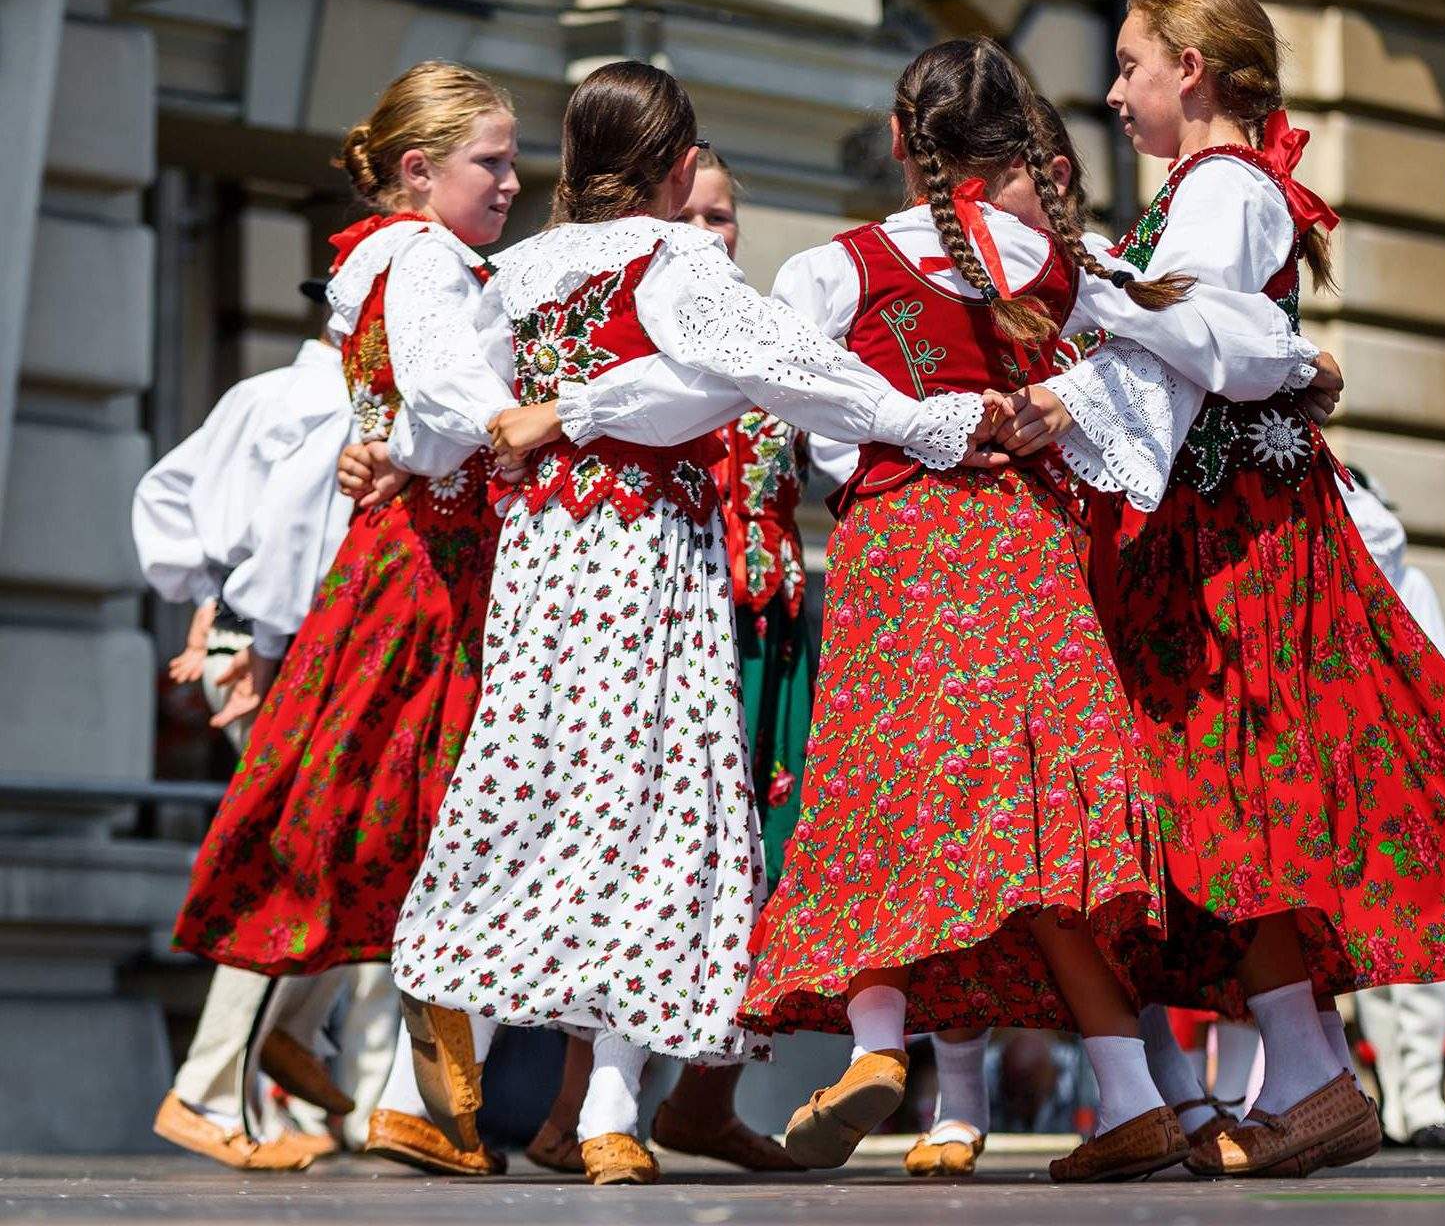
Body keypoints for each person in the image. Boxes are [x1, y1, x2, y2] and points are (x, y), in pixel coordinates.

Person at [996, 0, 1445, 1177]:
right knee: (1227, 797)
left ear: (1195, 69)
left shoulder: (1221, 189)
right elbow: (1187, 358)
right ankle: (1302, 1062)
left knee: (1230, 792)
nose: (1113, 89)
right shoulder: (1202, 191)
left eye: (1131, 64)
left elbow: (1211, 346)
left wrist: (1090, 291)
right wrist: (1073, 382)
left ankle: (1309, 1068)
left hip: (1234, 537)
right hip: (1217, 525)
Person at [387, 58, 996, 1186]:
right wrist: (925, 421)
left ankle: (451, 975)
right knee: (661, 805)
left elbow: (441, 399)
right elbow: (778, 366)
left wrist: (484, 429)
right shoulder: (669, 257)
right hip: (643, 555)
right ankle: (608, 1100)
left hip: (538, 558)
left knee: (524, 774)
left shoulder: (508, 272)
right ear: (674, 168)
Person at [732, 36, 1326, 1183]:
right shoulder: (1070, 262)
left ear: (902, 144)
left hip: (901, 550)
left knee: (879, 796)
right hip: (1030, 550)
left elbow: (812, 426)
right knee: (1046, 826)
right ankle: (1131, 1090)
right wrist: (1299, 363)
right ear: (1015, 146)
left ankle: (874, 1045)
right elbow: (1208, 340)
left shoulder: (833, 266)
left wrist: (899, 421)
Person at [167, 60, 520, 1177]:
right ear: (419, 173)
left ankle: (306, 1059)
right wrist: (530, 420)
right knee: (328, 812)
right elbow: (443, 397)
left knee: (384, 820)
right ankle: (213, 1078)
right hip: (415, 573)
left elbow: (419, 408)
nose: (513, 181)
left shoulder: (417, 260)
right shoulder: (421, 261)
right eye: (492, 161)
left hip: (423, 565)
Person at [520, 146, 804, 1177]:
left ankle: (700, 1096)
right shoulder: (640, 345)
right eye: (692, 219)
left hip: (761, 647)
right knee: (631, 853)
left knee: (750, 875)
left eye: (724, 219)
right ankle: (580, 1108)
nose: (710, 238)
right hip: (660, 626)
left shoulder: (760, 335)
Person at [133, 317, 373, 1169]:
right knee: (293, 861)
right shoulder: (317, 401)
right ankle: (210, 1085)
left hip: (280, 643)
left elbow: (167, 494)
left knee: (352, 852)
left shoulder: (281, 395)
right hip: (284, 648)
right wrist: (239, 626)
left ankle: (285, 1041)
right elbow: (282, 542)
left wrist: (205, 599)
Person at [1340, 468, 1445, 1150]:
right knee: (1375, 957)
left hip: (1407, 780)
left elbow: (1441, 676)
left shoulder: (1406, 580)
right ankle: (1398, 1096)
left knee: (1419, 947)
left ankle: (1421, 1094)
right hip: (1352, 786)